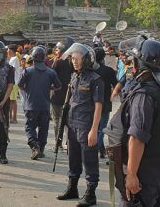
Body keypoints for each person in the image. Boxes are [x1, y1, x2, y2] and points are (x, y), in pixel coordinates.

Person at [110, 38, 160, 206]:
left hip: (144, 176)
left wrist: (132, 174)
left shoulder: (144, 95)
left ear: (139, 63)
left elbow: (137, 137)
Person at [55, 44, 100, 206]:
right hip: (72, 124)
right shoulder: (75, 77)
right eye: (72, 58)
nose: (74, 62)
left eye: (77, 59)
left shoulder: (95, 79)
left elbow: (98, 106)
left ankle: (91, 194)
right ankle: (72, 188)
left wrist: (94, 130)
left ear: (86, 60)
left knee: (89, 161)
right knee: (73, 159)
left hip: (86, 126)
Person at [18, 46, 62, 161]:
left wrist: (28, 89)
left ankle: (34, 147)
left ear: (33, 58)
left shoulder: (27, 71)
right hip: (45, 106)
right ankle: (41, 149)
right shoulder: (51, 72)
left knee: (30, 128)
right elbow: (58, 86)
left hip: (30, 106)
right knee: (44, 129)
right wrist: (49, 87)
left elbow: (20, 85)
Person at [51, 43, 74, 151]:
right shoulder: (72, 64)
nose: (56, 52)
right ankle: (69, 143)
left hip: (57, 95)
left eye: (57, 50)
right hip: (69, 96)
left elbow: (51, 76)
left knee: (57, 120)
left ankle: (57, 143)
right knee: (67, 121)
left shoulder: (57, 63)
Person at [7, 45, 22, 124]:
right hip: (14, 82)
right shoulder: (13, 59)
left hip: (14, 82)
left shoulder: (14, 59)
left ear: (11, 51)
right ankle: (11, 117)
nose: (7, 52)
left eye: (8, 50)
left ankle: (13, 118)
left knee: (12, 101)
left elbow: (11, 69)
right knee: (12, 101)